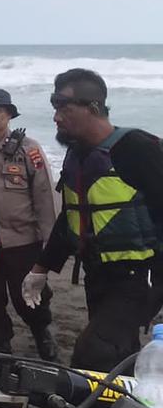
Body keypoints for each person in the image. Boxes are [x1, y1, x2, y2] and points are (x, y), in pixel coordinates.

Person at [24, 69, 163, 372]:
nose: (56, 117)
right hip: (97, 272)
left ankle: (87, 403)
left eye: (64, 108)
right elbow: (71, 217)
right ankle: (126, 398)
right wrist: (40, 268)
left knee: (94, 351)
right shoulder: (77, 154)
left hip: (139, 275)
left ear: (94, 108)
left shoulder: (138, 149)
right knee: (119, 352)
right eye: (54, 108)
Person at [0, 89, 58, 360]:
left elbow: (43, 195)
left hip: (23, 239)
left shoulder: (29, 149)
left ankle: (41, 332)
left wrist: (50, 242)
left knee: (28, 295)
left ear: (9, 114)